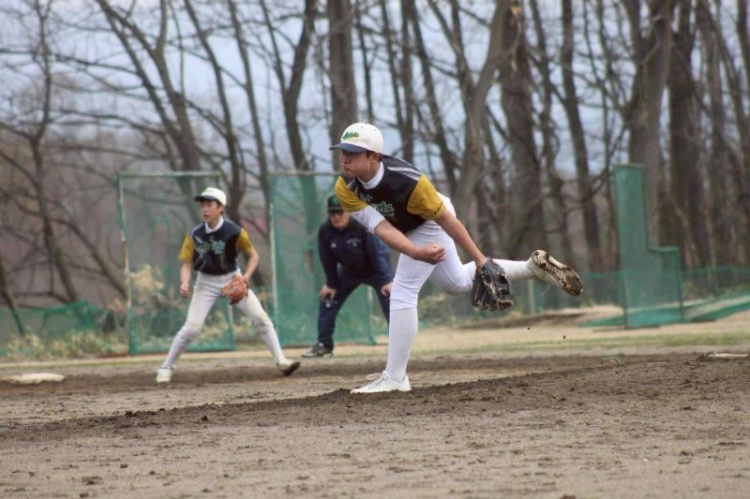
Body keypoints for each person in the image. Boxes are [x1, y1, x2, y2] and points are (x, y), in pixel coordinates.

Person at [330, 122, 583, 394]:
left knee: (403, 291)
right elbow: (381, 227)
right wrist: (415, 252)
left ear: (374, 156)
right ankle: (531, 268)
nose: (345, 158)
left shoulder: (409, 183)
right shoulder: (345, 186)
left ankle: (395, 377)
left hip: (430, 220)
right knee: (457, 283)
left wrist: (480, 259)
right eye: (343, 151)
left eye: (353, 152)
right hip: (409, 228)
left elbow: (446, 220)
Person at [155, 187, 300, 383]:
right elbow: (186, 263)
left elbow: (254, 256)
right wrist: (185, 282)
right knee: (191, 329)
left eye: (209, 205)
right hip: (206, 282)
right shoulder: (195, 234)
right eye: (203, 205)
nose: (205, 209)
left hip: (232, 278)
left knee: (261, 319)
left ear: (221, 207)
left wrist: (245, 278)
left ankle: (281, 361)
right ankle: (166, 367)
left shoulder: (234, 232)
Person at [302, 194, 394, 358]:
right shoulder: (325, 231)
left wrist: (386, 280)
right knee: (328, 298)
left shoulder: (362, 226)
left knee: (391, 300)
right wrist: (331, 284)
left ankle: (399, 342)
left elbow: (376, 253)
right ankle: (324, 345)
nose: (336, 217)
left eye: (340, 212)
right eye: (332, 213)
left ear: (349, 212)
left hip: (376, 269)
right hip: (349, 272)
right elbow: (327, 259)